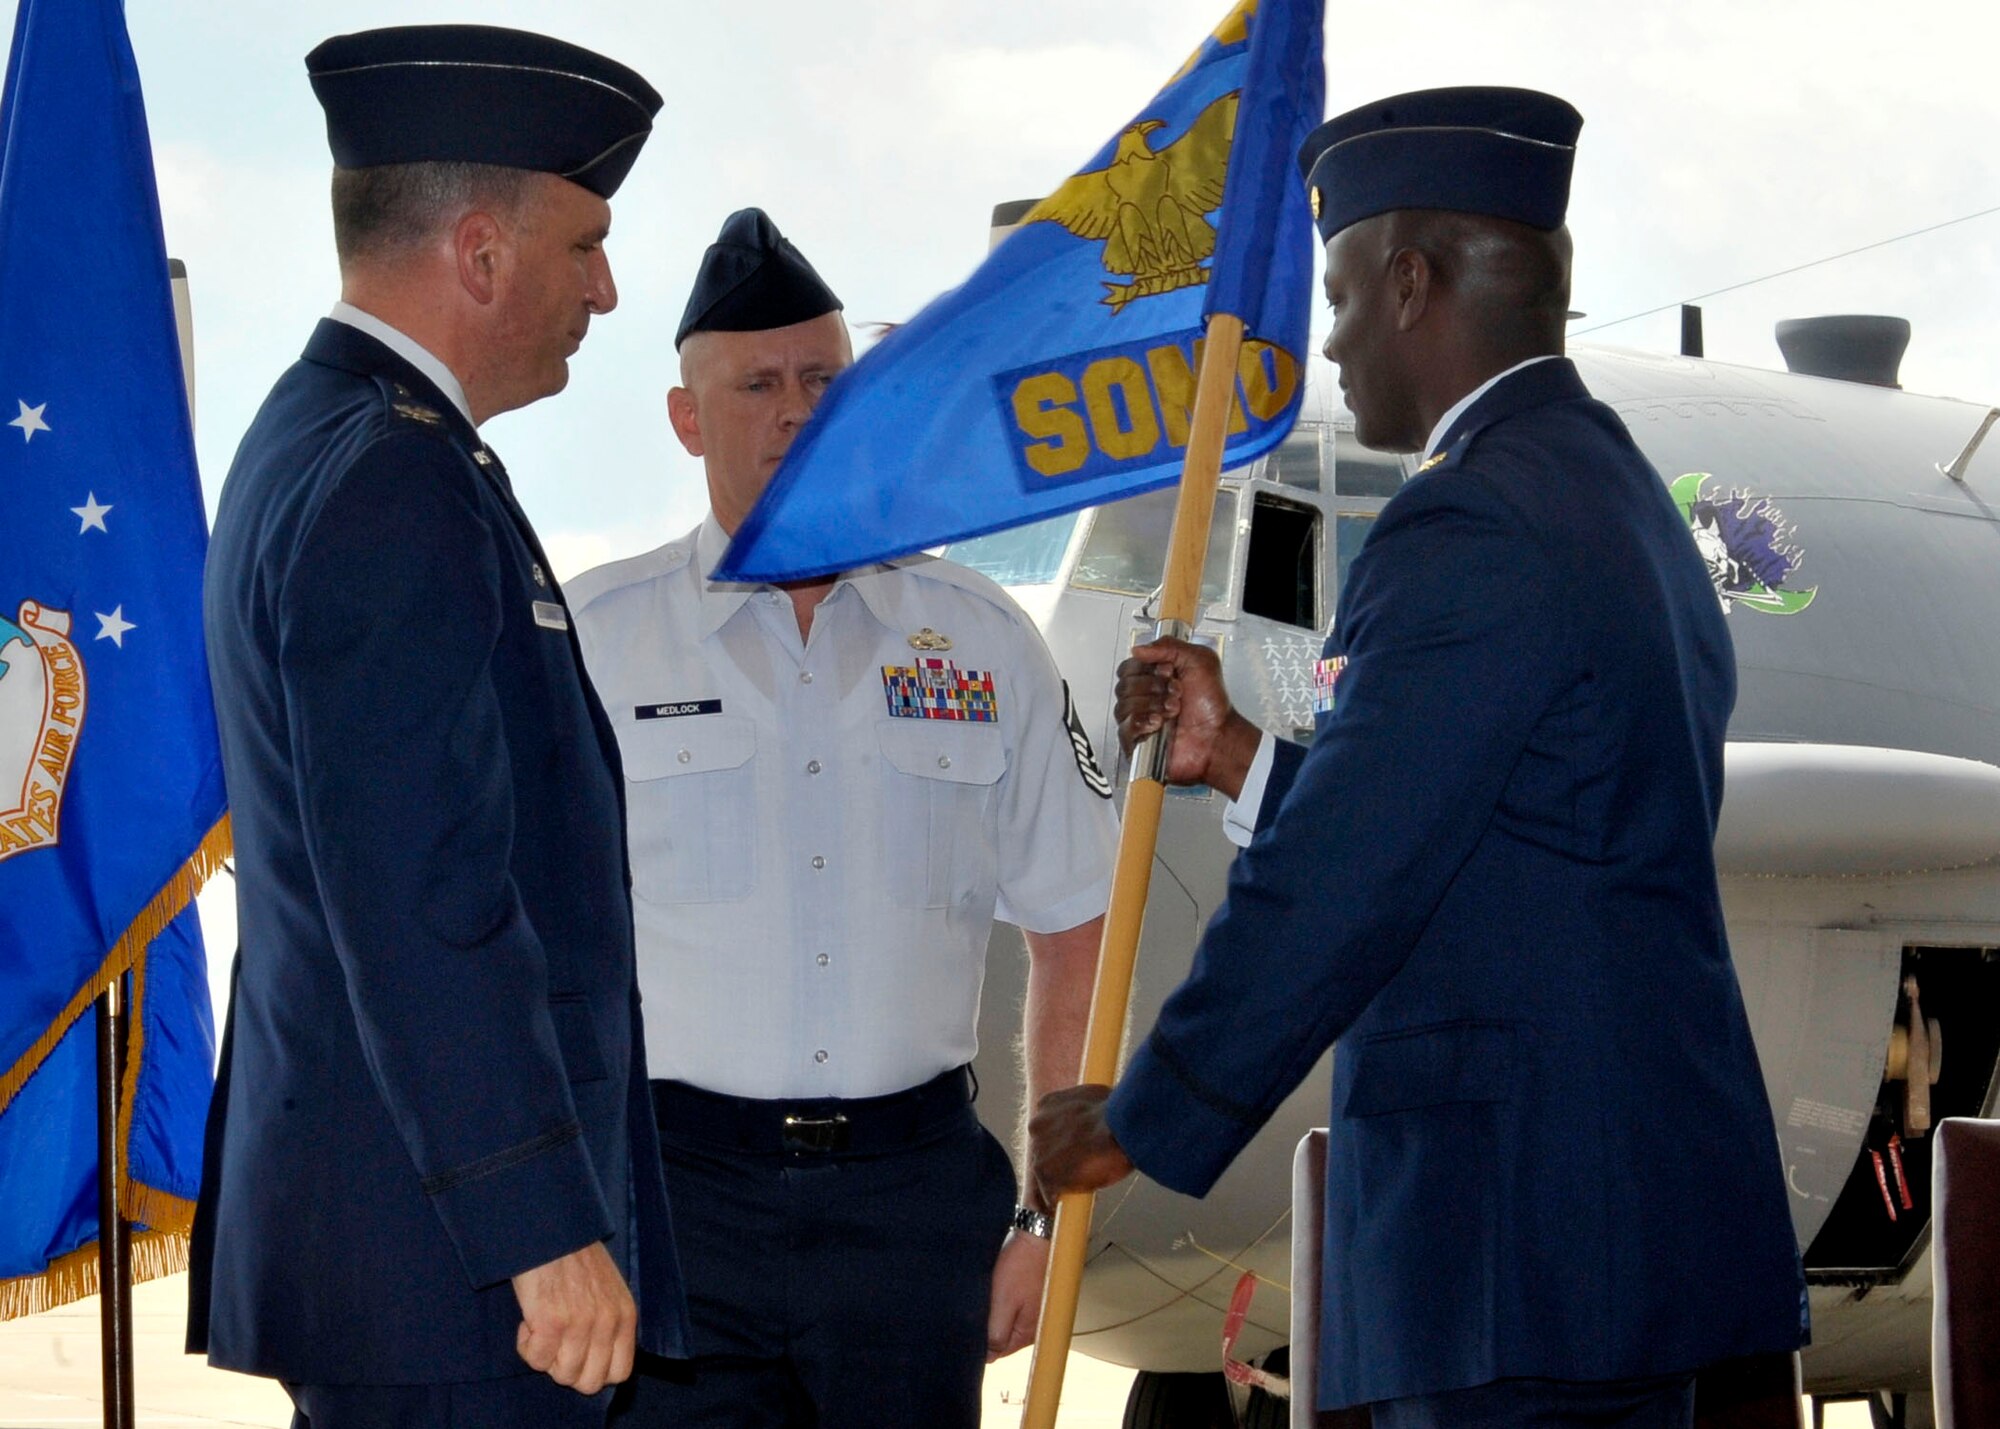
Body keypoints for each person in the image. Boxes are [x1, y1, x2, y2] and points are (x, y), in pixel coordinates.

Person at [1032, 87, 1808, 1428]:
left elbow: (1347, 879)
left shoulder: (1470, 522)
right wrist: (1237, 759)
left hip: (1514, 1252)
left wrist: (1142, 1114)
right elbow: (1486, 829)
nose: (1328, 344)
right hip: (1603, 1248)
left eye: (1337, 297)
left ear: (1410, 281)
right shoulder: (1612, 491)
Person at [192, 26, 687, 1427]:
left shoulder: (333, 442)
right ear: (481, 254)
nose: (605, 287)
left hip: (409, 1251)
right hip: (451, 1272)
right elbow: (423, 896)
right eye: (585, 243)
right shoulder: (392, 483)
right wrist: (537, 1220)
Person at [565, 208, 1118, 1428]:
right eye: (754, 384)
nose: (793, 411)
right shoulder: (595, 641)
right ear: (684, 418)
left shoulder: (983, 640)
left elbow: (1076, 933)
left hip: (910, 1211)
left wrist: (1041, 1214)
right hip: (674, 1202)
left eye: (822, 378)